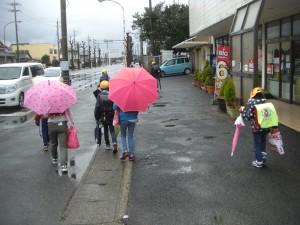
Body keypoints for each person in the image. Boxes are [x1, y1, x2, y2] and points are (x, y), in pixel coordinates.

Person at [240, 87, 270, 168]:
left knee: (257, 144)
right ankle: (263, 156)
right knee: (263, 142)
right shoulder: (265, 103)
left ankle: (259, 162)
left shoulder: (253, 105)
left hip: (257, 128)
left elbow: (248, 116)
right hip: (266, 127)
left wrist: (242, 111)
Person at [94, 80, 118, 153]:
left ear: (101, 87)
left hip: (103, 116)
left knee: (105, 130)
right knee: (112, 129)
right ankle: (114, 142)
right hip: (111, 115)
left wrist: (97, 117)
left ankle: (107, 144)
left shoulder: (99, 96)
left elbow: (97, 107)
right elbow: (115, 105)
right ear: (108, 87)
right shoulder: (111, 94)